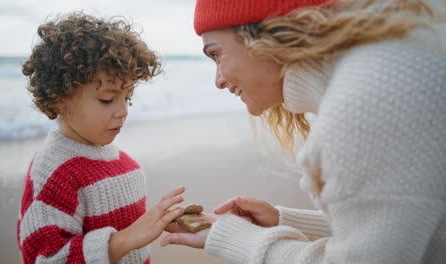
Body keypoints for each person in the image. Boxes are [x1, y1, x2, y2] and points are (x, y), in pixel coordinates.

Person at [161, 0, 446, 263]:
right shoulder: (384, 67)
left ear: (264, 32)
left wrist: (234, 238)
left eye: (216, 53)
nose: (218, 81)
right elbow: (414, 227)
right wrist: (284, 221)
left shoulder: (367, 102)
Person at [16, 13, 185, 264]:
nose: (123, 111)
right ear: (58, 97)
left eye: (127, 98)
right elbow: (45, 258)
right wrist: (126, 239)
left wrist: (158, 222)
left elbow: (126, 231)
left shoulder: (123, 163)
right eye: (107, 99)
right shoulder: (53, 174)